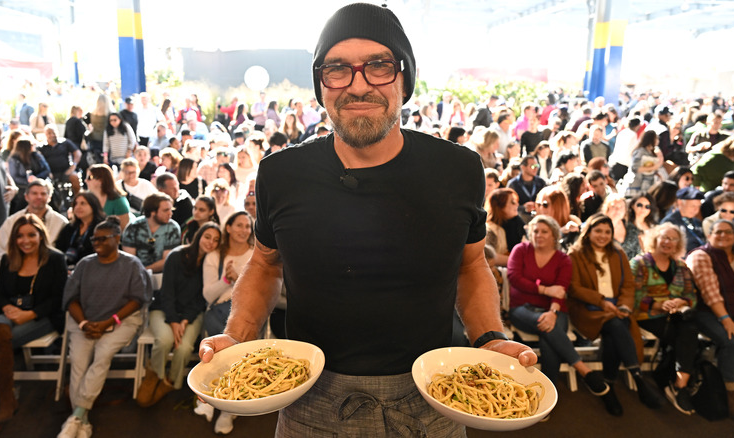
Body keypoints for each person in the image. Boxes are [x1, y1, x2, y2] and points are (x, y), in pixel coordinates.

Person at [198, 4, 535, 436]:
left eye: (378, 65)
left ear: (404, 79)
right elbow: (264, 264)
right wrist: (237, 339)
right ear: (321, 84)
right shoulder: (281, 173)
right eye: (337, 69)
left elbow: (470, 266)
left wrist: (489, 339)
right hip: (309, 398)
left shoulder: (458, 170)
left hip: (433, 396)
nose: (358, 85)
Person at [58, 217, 151, 438]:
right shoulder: (85, 264)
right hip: (85, 322)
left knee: (102, 355)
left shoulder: (131, 264)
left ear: (117, 238)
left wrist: (109, 323)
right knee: (79, 363)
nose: (96, 242)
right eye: (94, 238)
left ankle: (77, 415)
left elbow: (137, 300)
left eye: (102, 238)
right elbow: (70, 298)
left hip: (120, 322)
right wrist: (83, 323)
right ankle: (82, 419)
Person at [568, 214, 663, 416]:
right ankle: (638, 378)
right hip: (587, 309)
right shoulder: (575, 254)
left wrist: (625, 307)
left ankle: (609, 387)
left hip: (617, 308)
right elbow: (574, 288)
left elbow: (628, 286)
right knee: (617, 324)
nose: (603, 236)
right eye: (598, 231)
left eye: (607, 232)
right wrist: (602, 301)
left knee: (614, 329)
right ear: (588, 232)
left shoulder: (617, 254)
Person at [507, 215, 611, 398]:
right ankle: (582, 370)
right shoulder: (520, 250)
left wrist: (553, 312)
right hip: (522, 308)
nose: (538, 235)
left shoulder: (563, 259)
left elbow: (561, 291)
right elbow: (514, 279)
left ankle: (544, 395)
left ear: (554, 235)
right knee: (548, 327)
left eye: (544, 231)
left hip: (554, 309)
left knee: (549, 331)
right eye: (535, 231)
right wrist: (545, 290)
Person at [0, 214, 67, 436]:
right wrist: (9, 310)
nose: (25, 240)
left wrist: (30, 314)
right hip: (10, 316)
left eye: (31, 234)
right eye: (20, 236)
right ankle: (5, 399)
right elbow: (0, 296)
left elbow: (59, 299)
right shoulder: (9, 259)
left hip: (43, 316)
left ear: (41, 235)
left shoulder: (55, 259)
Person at [137, 222, 220, 408]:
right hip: (164, 308)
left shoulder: (212, 264)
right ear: (199, 236)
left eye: (216, 240)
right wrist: (174, 321)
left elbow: (202, 299)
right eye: (207, 237)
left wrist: (185, 320)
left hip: (191, 314)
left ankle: (171, 382)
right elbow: (167, 293)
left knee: (184, 348)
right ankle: (154, 374)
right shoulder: (177, 256)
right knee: (165, 340)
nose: (210, 243)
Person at [686, 219, 734, 421]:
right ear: (709, 235)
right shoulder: (700, 256)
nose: (723, 236)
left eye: (728, 232)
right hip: (707, 313)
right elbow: (710, 295)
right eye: (717, 232)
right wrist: (727, 320)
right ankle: (731, 396)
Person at [194, 211, 255, 434]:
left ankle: (229, 409)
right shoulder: (214, 257)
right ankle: (211, 397)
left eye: (247, 226)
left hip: (245, 312)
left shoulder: (254, 255)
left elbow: (257, 293)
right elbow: (208, 295)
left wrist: (238, 278)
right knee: (216, 355)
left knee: (238, 356)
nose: (244, 230)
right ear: (227, 227)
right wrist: (225, 280)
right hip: (218, 311)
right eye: (239, 225)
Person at [630, 223, 699, 415]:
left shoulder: (682, 267)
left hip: (677, 315)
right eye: (664, 237)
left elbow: (692, 296)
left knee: (689, 329)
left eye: (673, 239)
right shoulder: (640, 263)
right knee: (686, 335)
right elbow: (633, 295)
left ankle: (678, 382)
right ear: (655, 239)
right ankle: (678, 384)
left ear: (678, 244)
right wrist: (658, 304)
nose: (668, 242)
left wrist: (679, 301)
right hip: (647, 315)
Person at [0, 179, 68, 270]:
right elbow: (0, 251)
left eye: (43, 194)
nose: (39, 197)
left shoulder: (61, 222)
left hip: (48, 271)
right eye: (34, 193)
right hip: (16, 271)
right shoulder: (11, 221)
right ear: (26, 197)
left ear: (49, 197)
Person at [121, 193, 181, 273]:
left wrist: (145, 271)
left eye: (171, 209)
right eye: (166, 210)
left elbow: (167, 260)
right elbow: (129, 259)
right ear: (153, 212)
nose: (170, 213)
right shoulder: (133, 228)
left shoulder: (173, 228)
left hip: (163, 273)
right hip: (135, 273)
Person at [55, 191, 106, 268]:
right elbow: (59, 249)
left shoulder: (102, 228)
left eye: (83, 203)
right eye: (76, 204)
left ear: (93, 206)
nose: (78, 207)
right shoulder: (70, 227)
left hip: (92, 269)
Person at [7, 138, 51, 214]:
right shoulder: (14, 159)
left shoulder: (36, 156)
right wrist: (29, 181)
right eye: (31, 145)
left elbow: (46, 169)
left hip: (39, 182)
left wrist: (37, 179)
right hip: (22, 186)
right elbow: (15, 177)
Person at [484, 188, 525, 267]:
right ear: (500, 206)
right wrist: (519, 261)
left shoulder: (518, 223)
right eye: (513, 202)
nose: (517, 205)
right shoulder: (490, 229)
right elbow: (488, 257)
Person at [86, 164, 131, 231]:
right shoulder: (87, 199)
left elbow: (123, 230)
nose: (86, 180)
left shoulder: (119, 202)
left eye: (90, 177)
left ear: (101, 180)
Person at [661, 187, 706, 254]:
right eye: (692, 206)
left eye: (698, 206)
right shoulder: (670, 222)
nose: (696, 210)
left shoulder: (697, 222)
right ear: (680, 202)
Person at [40, 124, 81, 193]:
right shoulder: (41, 147)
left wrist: (73, 166)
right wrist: (47, 172)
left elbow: (77, 153)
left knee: (75, 177)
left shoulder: (65, 142)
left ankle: (77, 198)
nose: (52, 135)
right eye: (49, 133)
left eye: (53, 132)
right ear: (45, 134)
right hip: (50, 173)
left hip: (66, 171)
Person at [623, 130, 664, 197]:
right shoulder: (640, 151)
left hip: (647, 185)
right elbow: (635, 168)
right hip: (637, 185)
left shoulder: (651, 152)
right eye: (656, 138)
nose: (658, 140)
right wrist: (653, 168)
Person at [508, 155, 547, 223]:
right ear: (523, 167)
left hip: (538, 219)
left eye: (537, 166)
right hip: (519, 220)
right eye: (532, 166)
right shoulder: (513, 184)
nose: (535, 168)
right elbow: (508, 205)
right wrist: (523, 208)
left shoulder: (541, 182)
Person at [623, 193, 657, 260]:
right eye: (639, 205)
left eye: (647, 206)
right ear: (633, 205)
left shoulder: (653, 226)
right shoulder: (626, 224)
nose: (643, 208)